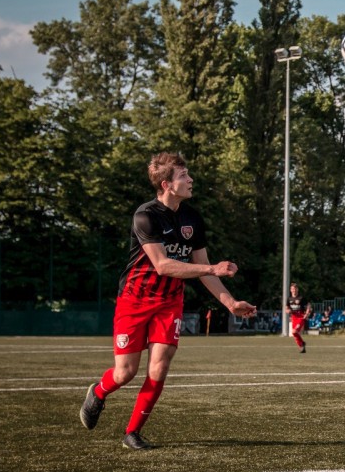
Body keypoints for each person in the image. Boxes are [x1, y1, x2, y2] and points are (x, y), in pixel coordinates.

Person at [79, 152, 257, 450]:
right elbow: (163, 265)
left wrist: (230, 303)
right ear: (166, 184)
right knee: (125, 372)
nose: (190, 180)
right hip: (134, 301)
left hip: (169, 302)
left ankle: (132, 432)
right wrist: (212, 268)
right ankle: (98, 392)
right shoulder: (145, 216)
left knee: (159, 368)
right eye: (183, 176)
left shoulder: (192, 218)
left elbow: (202, 267)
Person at [285, 283, 308, 353]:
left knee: (294, 332)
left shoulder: (301, 298)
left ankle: (302, 344)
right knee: (294, 334)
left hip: (300, 317)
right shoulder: (289, 299)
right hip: (294, 317)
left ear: (297, 289)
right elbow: (286, 308)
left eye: (295, 289)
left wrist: (306, 314)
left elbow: (308, 306)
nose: (294, 290)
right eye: (292, 289)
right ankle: (302, 346)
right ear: (290, 290)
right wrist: (288, 311)